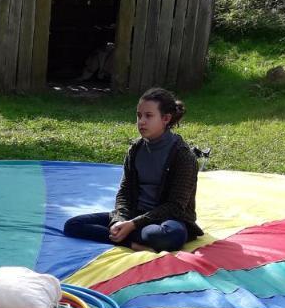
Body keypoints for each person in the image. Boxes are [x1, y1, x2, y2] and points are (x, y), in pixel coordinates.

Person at [63, 87, 203, 251]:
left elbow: (175, 206)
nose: (141, 121)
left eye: (148, 116)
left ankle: (127, 235)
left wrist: (133, 224)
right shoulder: (136, 149)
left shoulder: (183, 156)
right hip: (133, 215)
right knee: (73, 225)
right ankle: (132, 243)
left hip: (167, 219)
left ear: (166, 118)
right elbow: (124, 192)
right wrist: (118, 221)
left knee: (168, 236)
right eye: (139, 115)